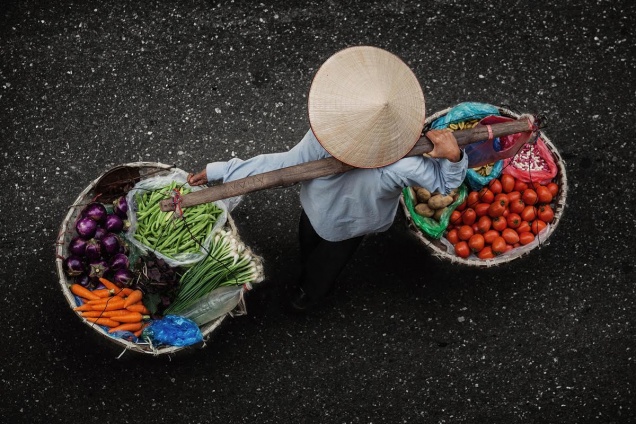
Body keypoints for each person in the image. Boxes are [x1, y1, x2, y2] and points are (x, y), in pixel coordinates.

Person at [187, 46, 468, 313]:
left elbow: (279, 165)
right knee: (327, 260)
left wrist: (221, 170)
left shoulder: (327, 137)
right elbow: (445, 184)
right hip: (352, 223)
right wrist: (453, 157)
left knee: (314, 250)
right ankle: (308, 293)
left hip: (320, 210)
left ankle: (308, 291)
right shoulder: (404, 163)